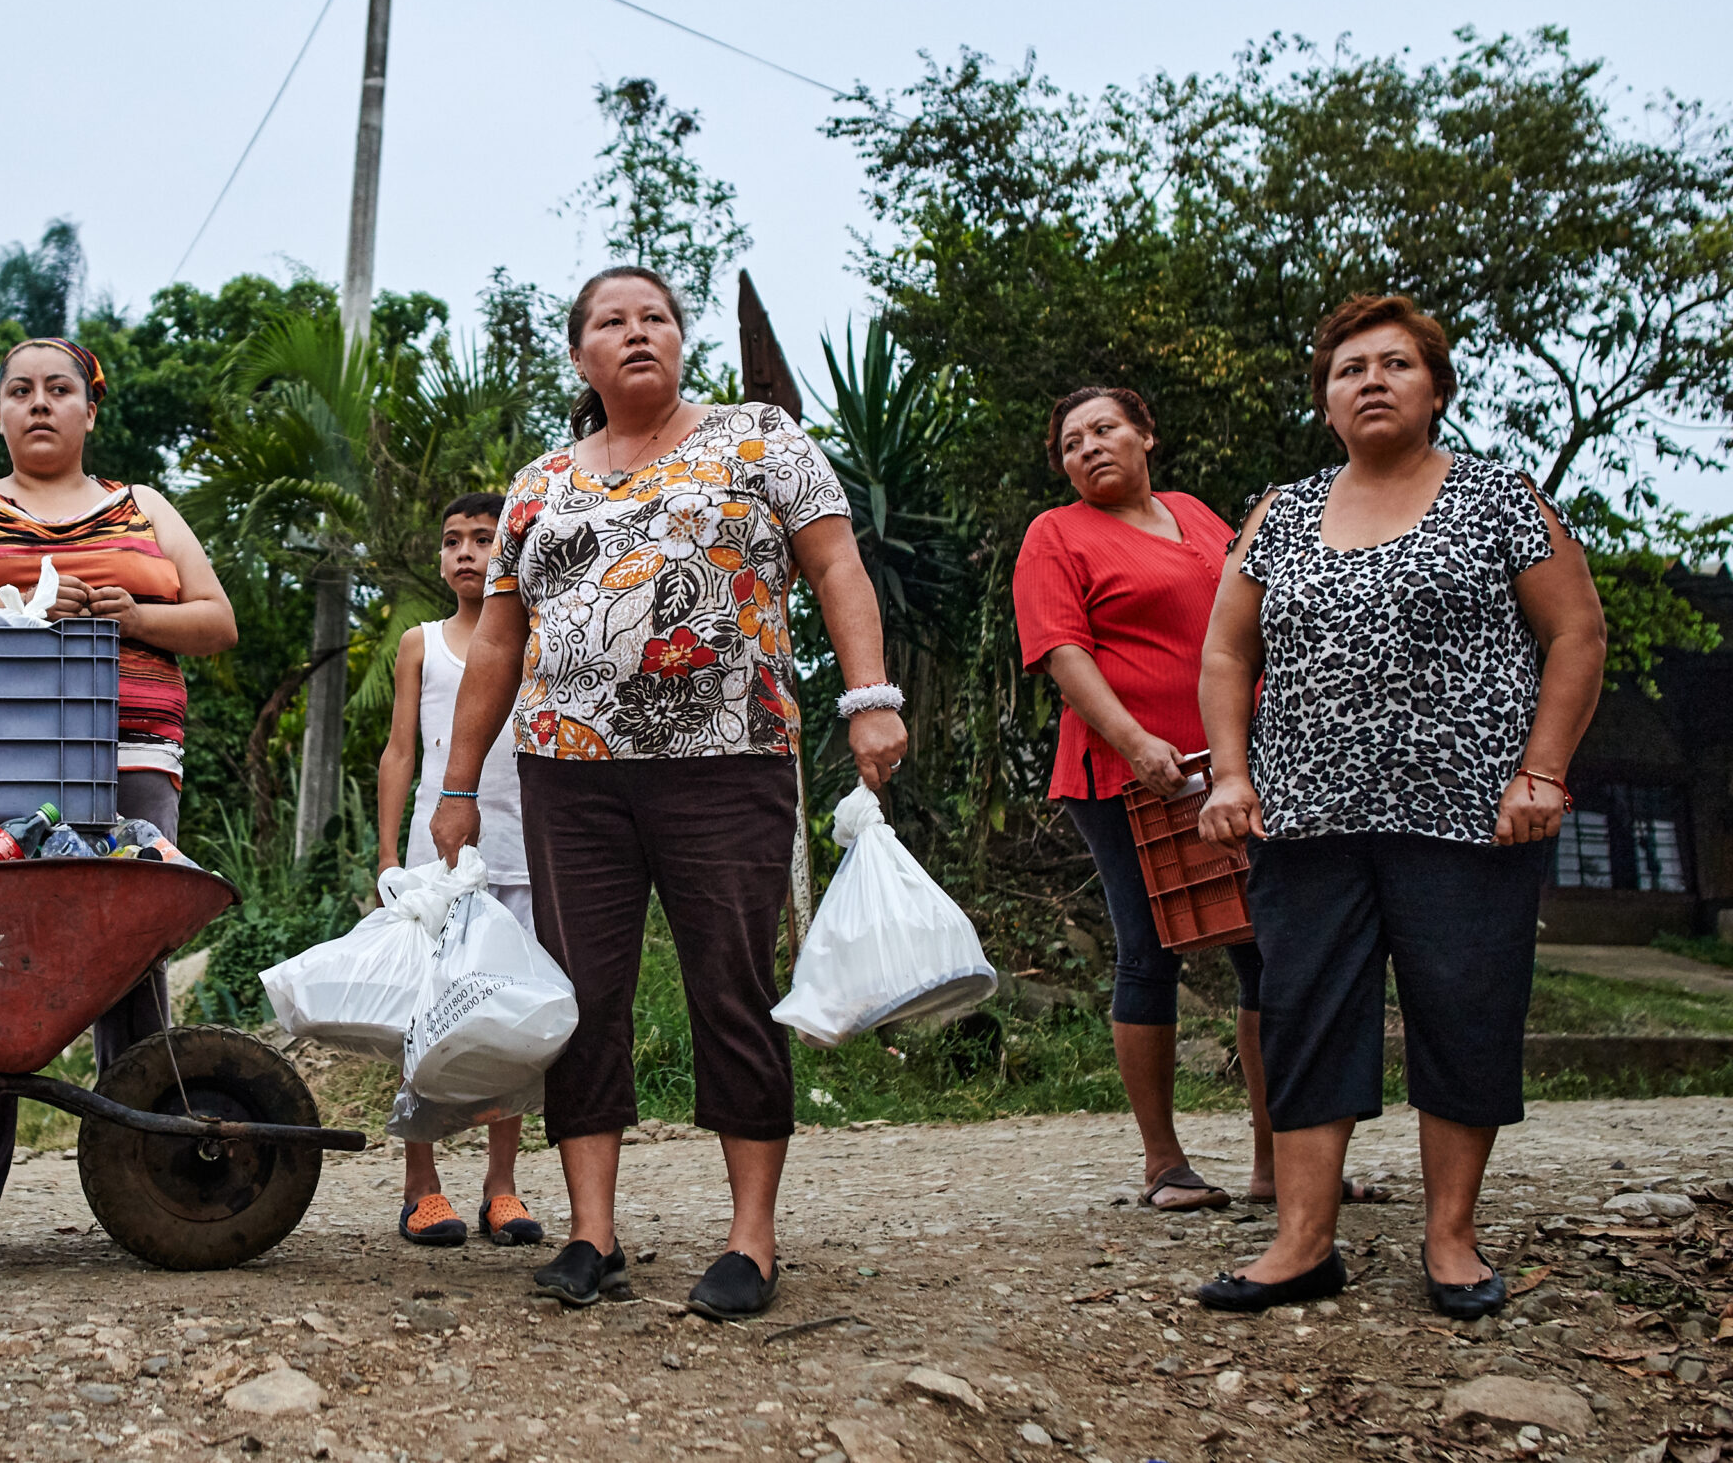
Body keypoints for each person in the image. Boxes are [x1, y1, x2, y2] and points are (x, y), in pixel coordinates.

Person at [431, 266, 906, 1321]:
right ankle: (590, 1233)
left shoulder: (759, 439)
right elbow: (498, 642)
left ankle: (750, 1238)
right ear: (579, 355)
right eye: (612, 320)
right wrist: (459, 784)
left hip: (728, 757)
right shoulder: (536, 482)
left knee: (728, 980)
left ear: (681, 341)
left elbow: (836, 569)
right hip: (568, 772)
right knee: (582, 996)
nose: (637, 331)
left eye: (656, 317)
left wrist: (869, 695)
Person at [1192, 294, 1604, 1318]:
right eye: (1347, 369)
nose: (1369, 380)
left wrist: (1542, 771)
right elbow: (1227, 650)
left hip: (1470, 814)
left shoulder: (1501, 499)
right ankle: (1300, 1240)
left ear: (1435, 387)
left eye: (1393, 364)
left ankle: (1450, 1239)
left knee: (1464, 1011)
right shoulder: (1278, 512)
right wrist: (1233, 776)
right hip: (1307, 815)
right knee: (1303, 1014)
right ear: (1327, 402)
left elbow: (1577, 635)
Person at [0, 335, 238, 1264]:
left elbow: (218, 619)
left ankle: (159, 1186)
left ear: (91, 409)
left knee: (127, 960)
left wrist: (129, 616)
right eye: (19, 390)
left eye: (59, 389)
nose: (39, 403)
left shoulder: (143, 505)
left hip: (133, 751)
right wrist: (22, 605)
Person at [1012, 386, 1280, 1212]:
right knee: (1148, 948)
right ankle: (1165, 1163)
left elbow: (1252, 613)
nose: (1088, 447)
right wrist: (1135, 742)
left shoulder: (1197, 514)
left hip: (1232, 763)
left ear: (1146, 434)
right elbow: (1061, 650)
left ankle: (1282, 1162)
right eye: (1070, 442)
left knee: (1266, 947)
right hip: (1124, 774)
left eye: (1104, 429)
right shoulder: (1054, 535)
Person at [375, 492, 544, 1250]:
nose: (467, 552)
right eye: (453, 540)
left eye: (483, 538)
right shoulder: (420, 643)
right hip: (434, 855)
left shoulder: (534, 638)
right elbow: (401, 753)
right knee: (428, 1014)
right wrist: (387, 858)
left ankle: (502, 1185)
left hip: (519, 848)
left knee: (510, 1016)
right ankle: (422, 1187)